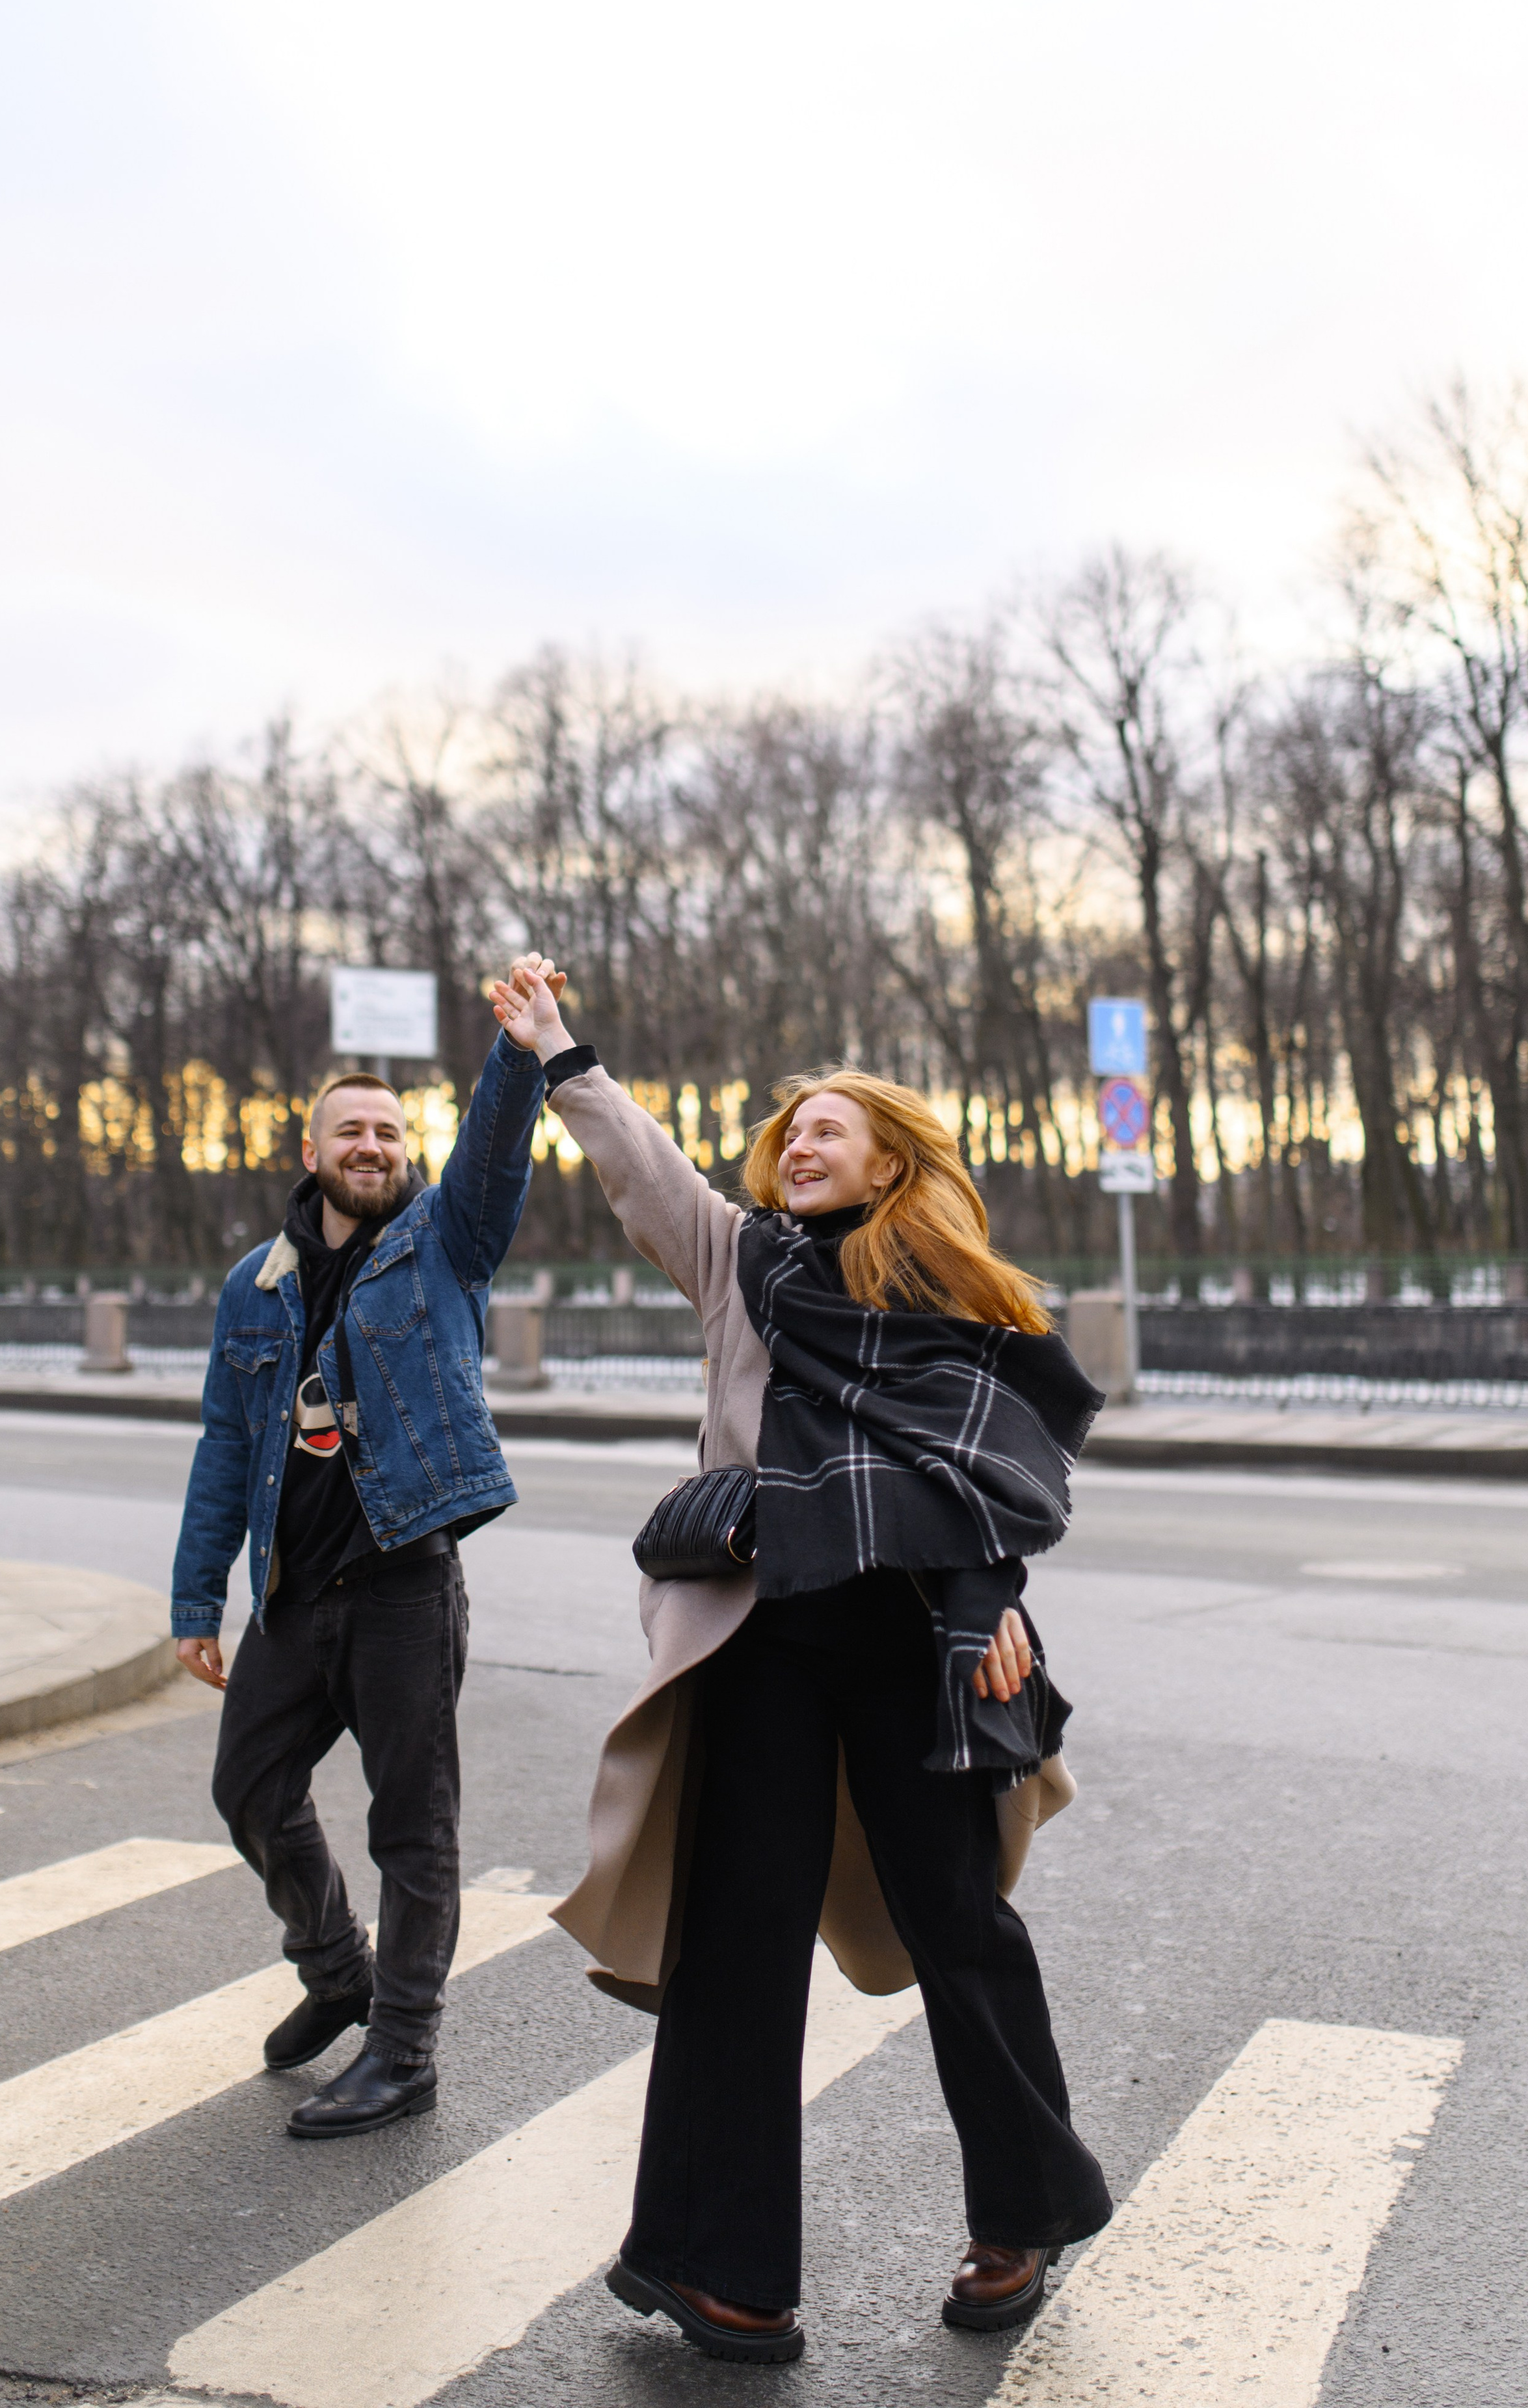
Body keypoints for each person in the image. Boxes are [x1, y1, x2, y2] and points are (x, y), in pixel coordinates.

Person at [489, 954, 1111, 2367]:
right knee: (736, 1946)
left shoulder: (956, 1296)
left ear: (890, 1156)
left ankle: (1019, 2217)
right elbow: (645, 1174)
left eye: (827, 1125)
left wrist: (985, 1595)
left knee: (961, 1925)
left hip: (913, 1638)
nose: (798, 1141)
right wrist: (559, 1056)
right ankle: (728, 2274)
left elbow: (989, 1476)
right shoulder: (741, 1264)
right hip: (761, 1633)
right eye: (788, 1131)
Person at [170, 998, 550, 2137]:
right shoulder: (258, 1284)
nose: (373, 1147)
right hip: (295, 1591)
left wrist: (519, 1049)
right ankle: (339, 1971)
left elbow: (492, 1151)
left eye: (389, 1132)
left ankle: (404, 2050)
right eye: (352, 1132)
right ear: (312, 1152)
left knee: (413, 1826)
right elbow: (227, 1445)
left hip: (403, 1586)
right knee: (249, 1790)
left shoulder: (443, 1242)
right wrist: (199, 1595)